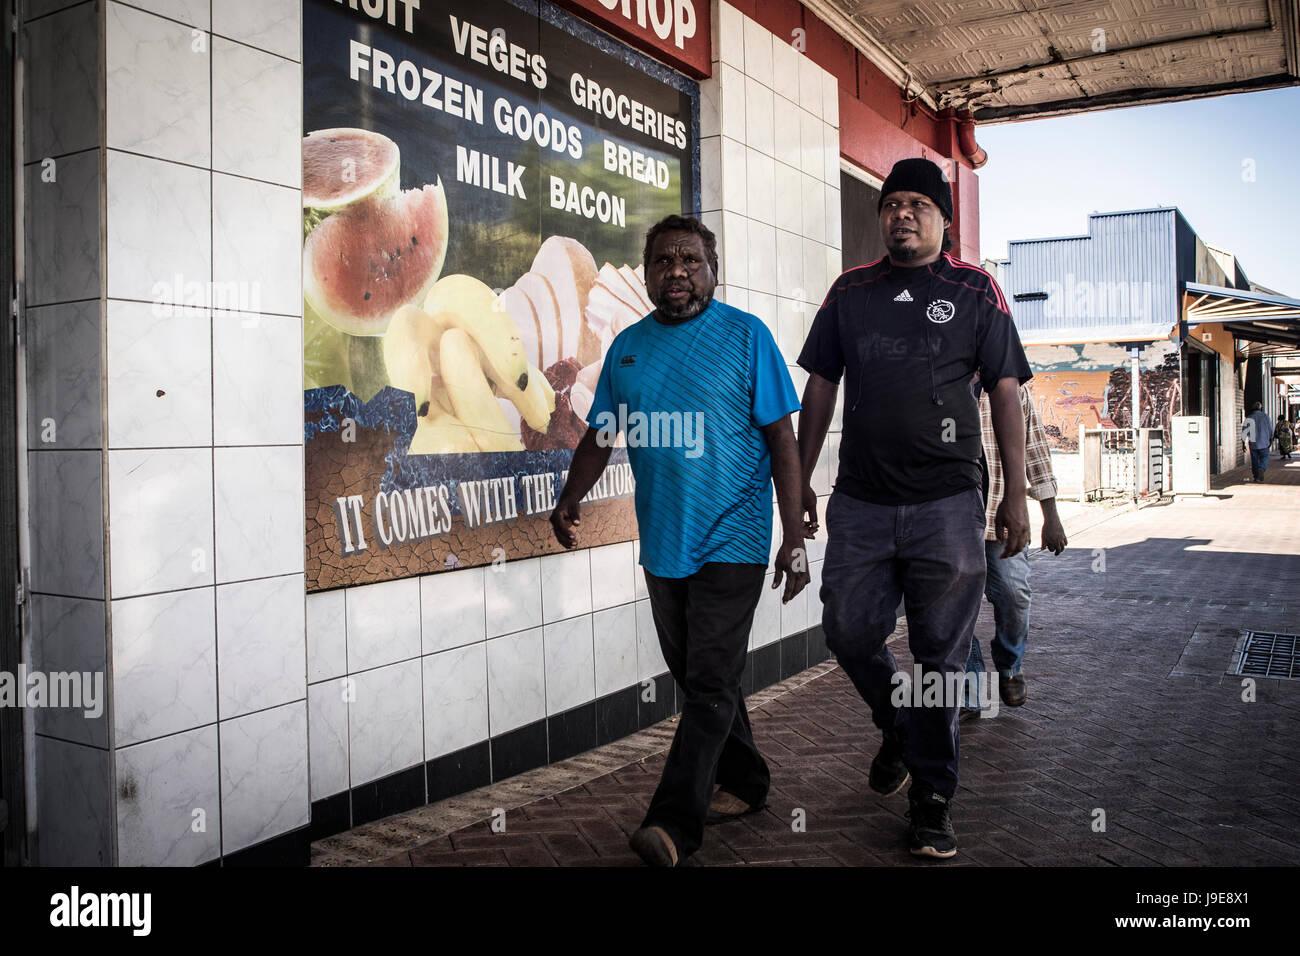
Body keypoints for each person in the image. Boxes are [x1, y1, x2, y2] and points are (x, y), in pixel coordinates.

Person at [549, 214, 807, 868]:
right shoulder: (628, 350)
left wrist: (795, 530)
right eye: (664, 261)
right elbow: (599, 437)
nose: (678, 273)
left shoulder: (747, 338)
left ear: (711, 270)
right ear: (647, 270)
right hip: (665, 543)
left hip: (736, 538)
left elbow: (783, 440)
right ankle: (746, 779)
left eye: (691, 260)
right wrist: (571, 496)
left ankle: (672, 824)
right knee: (702, 680)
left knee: (711, 678)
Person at [795, 157, 1032, 859]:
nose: (903, 213)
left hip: (948, 507)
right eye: (892, 203)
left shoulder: (975, 289)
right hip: (863, 502)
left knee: (939, 661)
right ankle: (898, 723)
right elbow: (819, 389)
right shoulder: (850, 293)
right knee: (846, 630)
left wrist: (1015, 493)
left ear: (943, 220)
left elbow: (1007, 391)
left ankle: (933, 798)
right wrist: (800, 478)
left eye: (918, 205)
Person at [960, 379, 1066, 721]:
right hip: (951, 523)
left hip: (1001, 518)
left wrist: (1051, 516)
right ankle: (970, 692)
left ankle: (1010, 665)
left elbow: (1036, 449)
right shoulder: (942, 380)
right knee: (953, 611)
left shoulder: (1011, 389)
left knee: (1014, 592)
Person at [1244, 402, 1273, 481]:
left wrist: (1243, 443)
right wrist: (1271, 438)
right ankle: (1262, 468)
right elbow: (1270, 429)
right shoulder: (1265, 417)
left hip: (1253, 442)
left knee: (1254, 460)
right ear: (1260, 408)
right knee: (1264, 457)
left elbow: (1244, 432)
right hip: (1264, 441)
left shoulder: (1249, 417)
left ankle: (1256, 477)